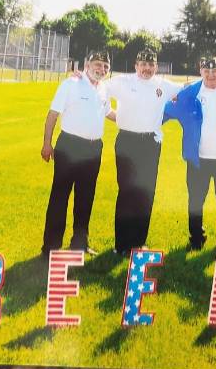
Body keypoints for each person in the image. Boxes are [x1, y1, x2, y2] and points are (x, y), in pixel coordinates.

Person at [106, 49, 183, 257]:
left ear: (156, 67)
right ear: (136, 65)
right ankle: (121, 244)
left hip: (150, 142)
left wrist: (213, 79)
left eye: (151, 65)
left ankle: (138, 243)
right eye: (143, 64)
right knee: (127, 192)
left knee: (146, 192)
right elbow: (99, 89)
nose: (147, 69)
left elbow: (188, 90)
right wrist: (109, 113)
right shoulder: (122, 81)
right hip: (127, 141)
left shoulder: (163, 85)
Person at [40, 50, 115, 257]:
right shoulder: (70, 84)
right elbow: (53, 114)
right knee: (60, 197)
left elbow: (108, 112)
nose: (101, 69)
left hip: (93, 149)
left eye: (105, 66)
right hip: (69, 146)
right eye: (98, 64)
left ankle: (79, 244)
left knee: (85, 198)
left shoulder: (104, 88)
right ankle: (50, 248)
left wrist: (135, 122)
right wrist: (47, 143)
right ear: (87, 64)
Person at [163, 57, 216, 252]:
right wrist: (146, 127)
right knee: (196, 201)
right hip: (198, 160)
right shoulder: (189, 93)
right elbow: (164, 110)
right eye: (206, 71)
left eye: (214, 70)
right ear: (201, 71)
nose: (211, 74)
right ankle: (196, 238)